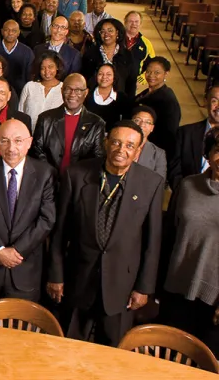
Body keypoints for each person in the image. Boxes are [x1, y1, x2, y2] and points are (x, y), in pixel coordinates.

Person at [48, 121, 163, 347]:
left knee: (112, 350)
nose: (122, 150)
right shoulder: (76, 174)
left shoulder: (151, 184)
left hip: (122, 286)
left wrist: (144, 288)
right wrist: (56, 275)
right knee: (69, 347)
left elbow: (153, 241)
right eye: (116, 143)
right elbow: (60, 231)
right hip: (78, 279)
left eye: (130, 145)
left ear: (138, 151)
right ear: (106, 143)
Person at [0, 119, 56, 320]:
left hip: (24, 268)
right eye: (4, 141)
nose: (11, 148)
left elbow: (46, 219)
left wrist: (16, 251)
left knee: (20, 333)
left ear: (29, 142)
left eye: (18, 141)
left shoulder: (45, 173)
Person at [159, 130, 219, 355]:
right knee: (166, 361)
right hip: (175, 291)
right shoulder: (187, 186)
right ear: (208, 153)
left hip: (213, 302)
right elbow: (169, 237)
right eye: (218, 150)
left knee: (203, 374)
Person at [31, 74, 105, 174]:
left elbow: (97, 158)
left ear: (86, 92)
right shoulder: (45, 118)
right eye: (68, 89)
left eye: (78, 90)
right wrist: (50, 175)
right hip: (48, 179)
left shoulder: (96, 123)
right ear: (62, 91)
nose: (72, 94)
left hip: (80, 182)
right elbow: (37, 151)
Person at [169, 86, 219, 192]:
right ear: (206, 101)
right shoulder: (185, 133)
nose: (218, 107)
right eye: (215, 101)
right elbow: (174, 170)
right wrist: (186, 195)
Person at [135, 56, 181, 155]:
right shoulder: (147, 92)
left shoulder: (168, 101)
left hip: (152, 150)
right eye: (148, 71)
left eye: (157, 73)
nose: (151, 75)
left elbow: (169, 135)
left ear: (166, 74)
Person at [82, 18, 136, 98]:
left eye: (110, 30)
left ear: (117, 33)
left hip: (120, 101)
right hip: (93, 99)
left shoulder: (127, 55)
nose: (106, 34)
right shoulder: (90, 54)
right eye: (102, 31)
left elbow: (131, 83)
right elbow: (84, 79)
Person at [18, 52, 64, 131]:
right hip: (28, 135)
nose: (47, 71)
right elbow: (20, 112)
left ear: (57, 67)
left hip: (53, 137)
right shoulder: (30, 86)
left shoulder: (64, 88)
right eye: (43, 68)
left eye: (50, 67)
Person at [82, 63, 132, 130]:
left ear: (114, 77)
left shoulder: (122, 98)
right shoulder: (86, 95)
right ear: (96, 76)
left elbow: (126, 123)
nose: (104, 77)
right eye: (100, 74)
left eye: (108, 74)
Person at [0, 20, 34, 93]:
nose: (10, 33)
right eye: (7, 30)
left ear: (19, 33)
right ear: (2, 31)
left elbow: (30, 78)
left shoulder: (27, 52)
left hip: (20, 92)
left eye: (14, 30)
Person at [131, 105, 167, 180]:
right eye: (137, 120)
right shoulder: (117, 144)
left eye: (147, 122)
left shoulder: (158, 154)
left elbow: (159, 183)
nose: (142, 125)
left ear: (152, 128)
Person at [124, 11, 155, 88]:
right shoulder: (115, 39)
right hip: (113, 81)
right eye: (130, 21)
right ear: (125, 22)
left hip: (132, 83)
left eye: (136, 22)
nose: (133, 24)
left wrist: (141, 80)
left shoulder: (146, 44)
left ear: (140, 24)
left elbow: (152, 65)